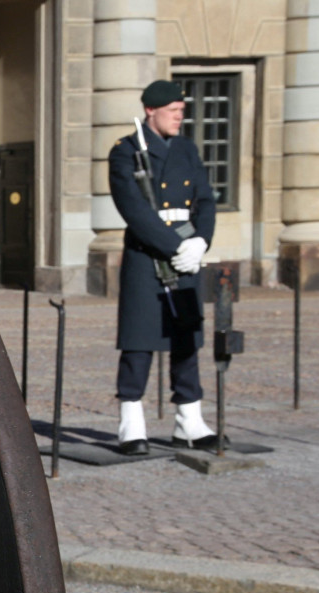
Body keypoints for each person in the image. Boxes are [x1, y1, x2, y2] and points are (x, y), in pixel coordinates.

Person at [107, 79, 221, 455]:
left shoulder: (186, 149)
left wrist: (200, 241)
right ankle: (131, 425)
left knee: (186, 340)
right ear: (151, 111)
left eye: (182, 111)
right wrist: (175, 247)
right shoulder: (125, 152)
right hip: (147, 255)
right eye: (174, 112)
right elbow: (134, 210)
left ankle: (189, 422)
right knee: (139, 342)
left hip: (188, 251)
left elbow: (205, 199)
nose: (180, 118)